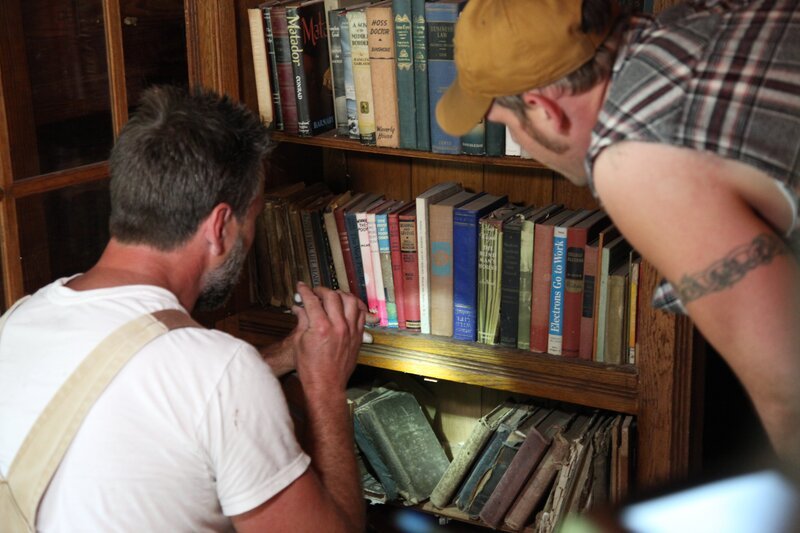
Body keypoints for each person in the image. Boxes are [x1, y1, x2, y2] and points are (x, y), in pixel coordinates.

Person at [436, 0, 800, 466]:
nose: (523, 146)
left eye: (508, 126)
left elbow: (788, 388)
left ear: (542, 108)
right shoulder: (685, 23)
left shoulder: (633, 158)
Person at [0, 85, 370, 531]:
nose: (249, 238)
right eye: (252, 218)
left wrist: (280, 357)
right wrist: (326, 386)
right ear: (219, 227)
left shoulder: (19, 321)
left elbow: (136, 390)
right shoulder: (219, 372)